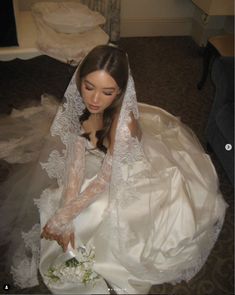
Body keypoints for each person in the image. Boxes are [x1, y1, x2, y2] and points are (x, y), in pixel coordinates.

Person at [0, 44, 227, 294]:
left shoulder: (124, 126)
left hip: (129, 173)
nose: (94, 100)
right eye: (88, 87)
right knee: (64, 193)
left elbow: (104, 181)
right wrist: (65, 213)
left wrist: (65, 217)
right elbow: (75, 163)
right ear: (80, 82)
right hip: (101, 160)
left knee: (96, 211)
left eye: (107, 92)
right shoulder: (82, 108)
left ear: (119, 92)